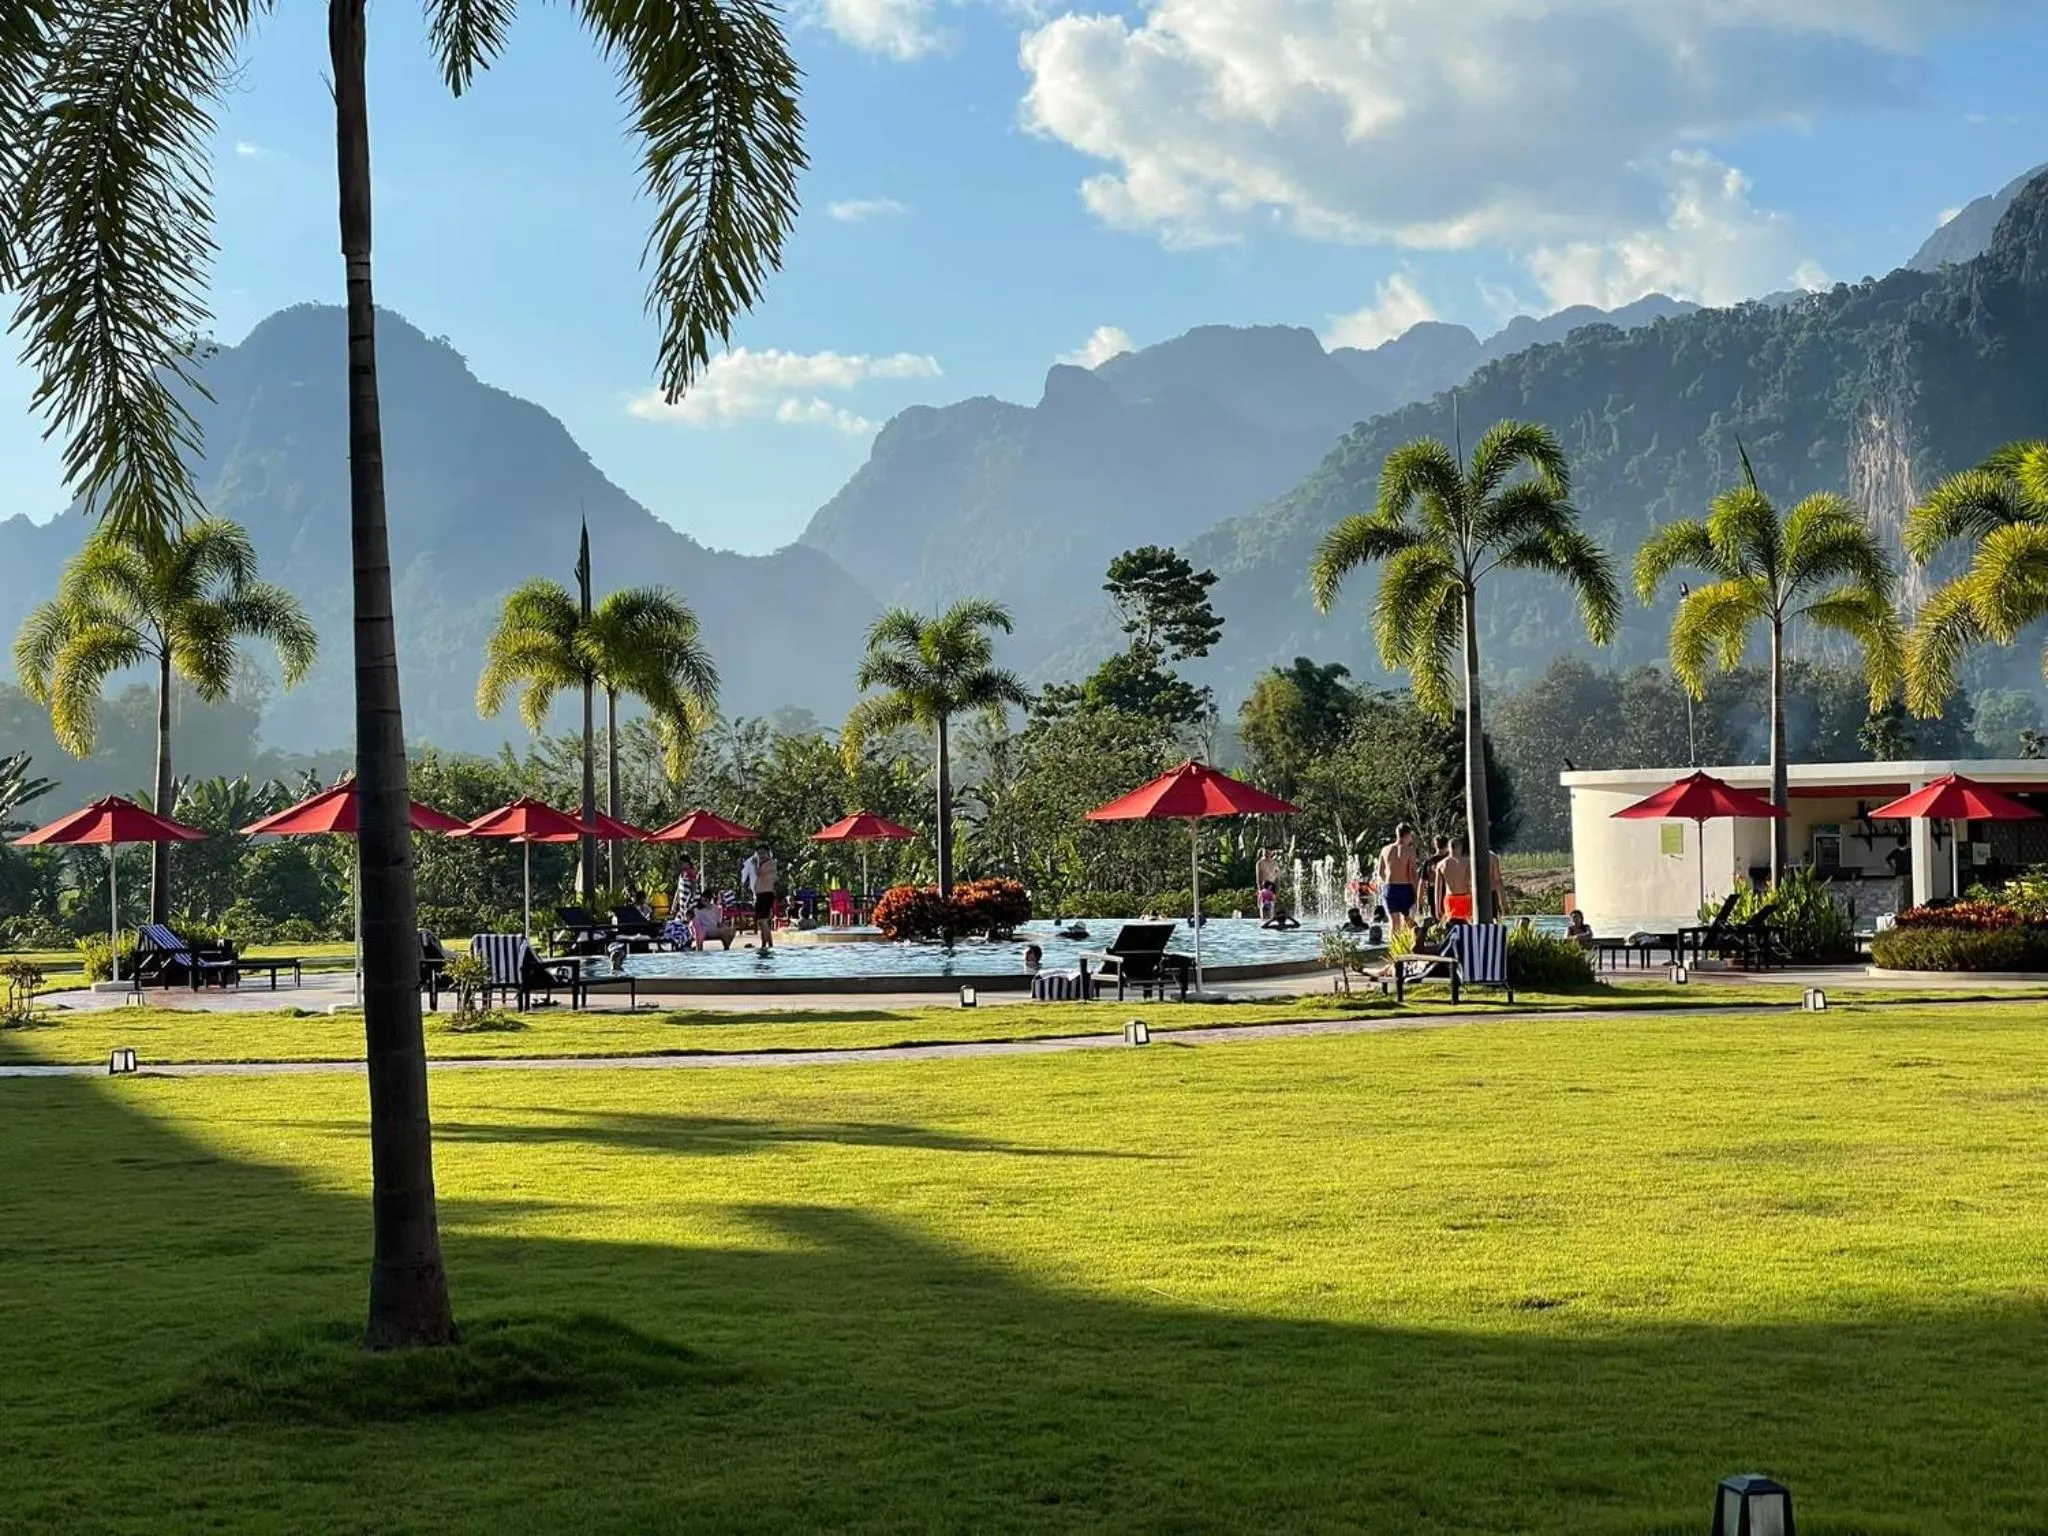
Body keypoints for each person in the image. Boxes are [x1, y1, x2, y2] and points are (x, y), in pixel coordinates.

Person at [1376, 823, 1420, 936]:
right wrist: (1417, 893)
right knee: (1408, 921)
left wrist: (1390, 881)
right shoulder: (1409, 851)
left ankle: (1395, 950)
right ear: (1407, 835)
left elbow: (1380, 872)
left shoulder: (1385, 850)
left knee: (1394, 923)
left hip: (1390, 888)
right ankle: (1406, 948)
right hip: (1405, 888)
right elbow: (1412, 874)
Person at [740, 844, 778, 951]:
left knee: (763, 921)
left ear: (768, 853)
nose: (761, 855)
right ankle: (764, 943)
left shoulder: (770, 863)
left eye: (763, 853)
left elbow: (759, 872)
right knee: (761, 922)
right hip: (760, 894)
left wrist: (755, 864)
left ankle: (769, 944)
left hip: (766, 894)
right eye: (759, 853)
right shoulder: (761, 863)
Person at [1419, 835, 1452, 923]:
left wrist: (1420, 901)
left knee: (1436, 918)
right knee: (1449, 918)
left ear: (1435, 845)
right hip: (1448, 890)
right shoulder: (1450, 861)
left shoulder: (1429, 862)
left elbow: (1422, 883)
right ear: (1447, 845)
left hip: (1432, 891)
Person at [1254, 847, 1281, 921]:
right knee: (1263, 905)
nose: (1266, 854)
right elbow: (1258, 876)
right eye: (1265, 853)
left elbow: (1278, 875)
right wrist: (1259, 888)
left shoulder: (1275, 863)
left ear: (1271, 853)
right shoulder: (1260, 863)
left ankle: (1271, 919)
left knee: (1272, 904)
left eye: (1268, 853)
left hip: (1272, 885)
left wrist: (1278, 888)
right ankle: (1263, 920)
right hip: (1264, 885)